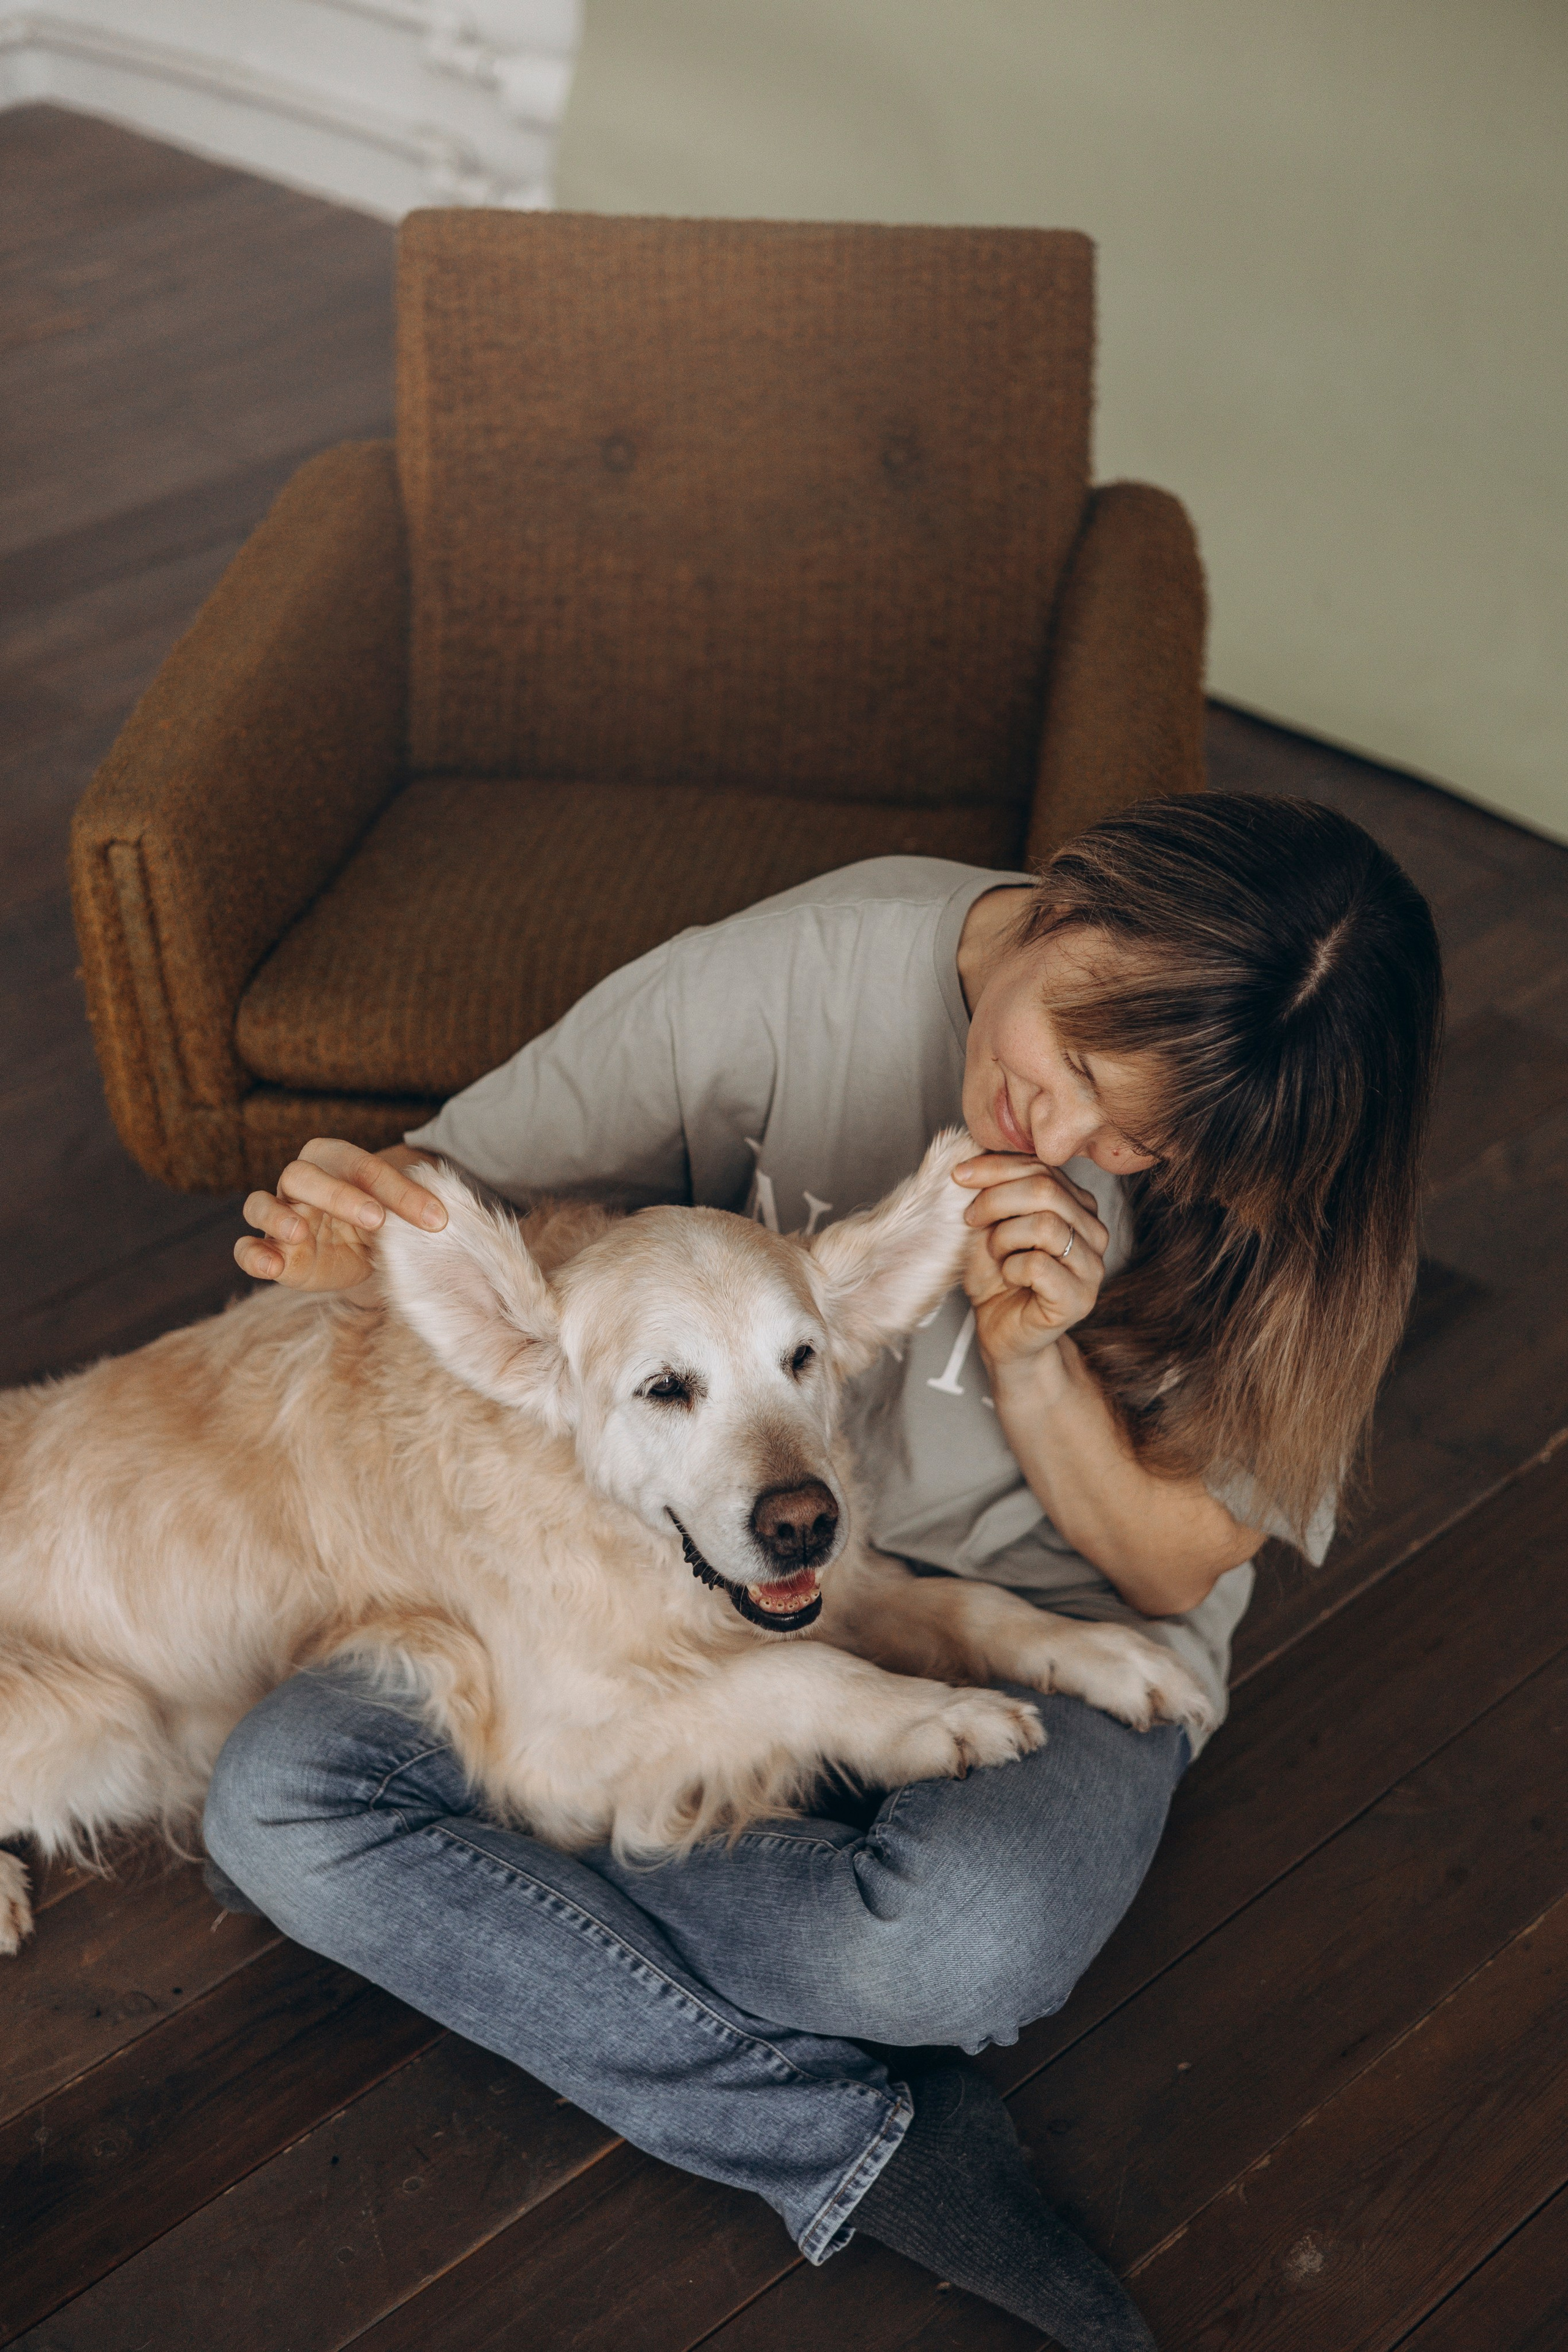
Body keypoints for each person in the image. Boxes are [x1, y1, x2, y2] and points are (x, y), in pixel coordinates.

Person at [204, 793, 1442, 2350]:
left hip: (1041, 1630)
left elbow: (1164, 1563)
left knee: (953, 1943)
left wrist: (1035, 1363)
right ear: (1069, 908)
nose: (1060, 1141)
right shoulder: (800, 968)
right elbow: (461, 1185)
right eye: (1065, 1065)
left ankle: (541, 1833)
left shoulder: (1295, 1192)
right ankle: (859, 2139)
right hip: (644, 1587)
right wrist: (342, 1232)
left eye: (1144, 1141)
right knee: (278, 1803)